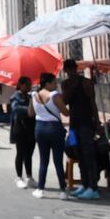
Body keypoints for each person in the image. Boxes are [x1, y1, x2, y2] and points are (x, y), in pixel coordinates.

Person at [60, 58, 101, 200]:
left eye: (72, 69)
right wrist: (69, 88)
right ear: (65, 71)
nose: (70, 72)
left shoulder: (86, 83)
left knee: (89, 154)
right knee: (77, 152)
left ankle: (93, 187)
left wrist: (98, 123)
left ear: (76, 69)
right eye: (68, 70)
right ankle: (84, 184)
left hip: (86, 123)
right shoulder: (65, 84)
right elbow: (64, 101)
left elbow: (93, 103)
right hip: (73, 124)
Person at [31, 71, 68, 199]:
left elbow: (30, 113)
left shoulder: (34, 95)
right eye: (54, 82)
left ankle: (40, 189)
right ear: (47, 83)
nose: (56, 84)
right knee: (58, 160)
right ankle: (63, 190)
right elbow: (66, 112)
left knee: (43, 160)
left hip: (40, 127)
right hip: (54, 128)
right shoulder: (54, 95)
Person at [9, 76, 36, 188]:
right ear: (21, 85)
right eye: (27, 84)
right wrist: (28, 110)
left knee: (29, 153)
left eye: (30, 84)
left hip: (31, 127)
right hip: (20, 127)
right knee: (20, 152)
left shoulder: (31, 96)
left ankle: (29, 176)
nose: (29, 86)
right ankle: (19, 176)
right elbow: (16, 109)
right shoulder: (15, 97)